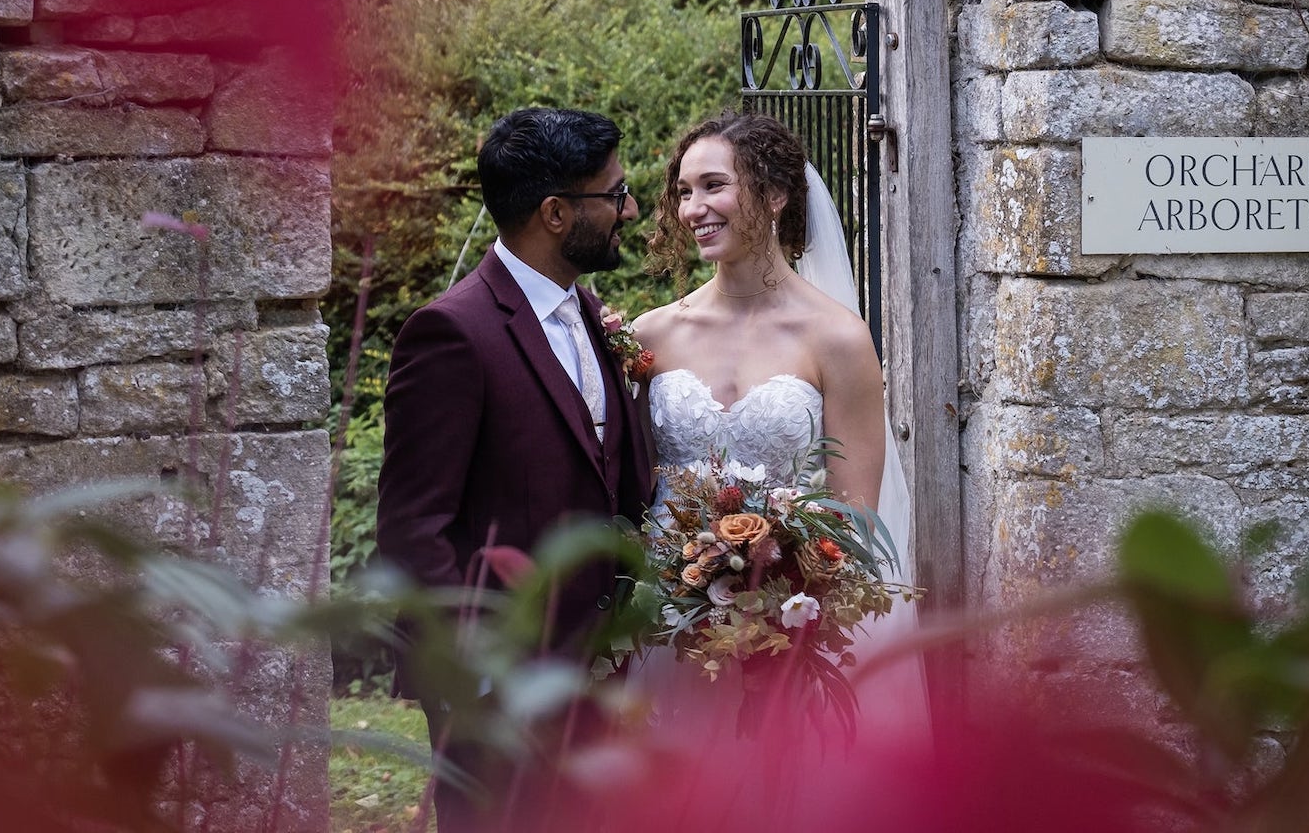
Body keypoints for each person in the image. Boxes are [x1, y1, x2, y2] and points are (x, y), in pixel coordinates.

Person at [378, 106, 656, 832]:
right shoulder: (451, 333)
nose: (630, 209)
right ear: (557, 213)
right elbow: (414, 530)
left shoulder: (587, 313)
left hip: (595, 677)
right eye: (616, 193)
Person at [633, 109, 924, 731]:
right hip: (667, 614)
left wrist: (778, 599)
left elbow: (857, 520)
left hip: (789, 623)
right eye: (684, 192)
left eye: (714, 185)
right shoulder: (652, 334)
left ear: (773, 195)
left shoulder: (837, 339)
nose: (693, 209)